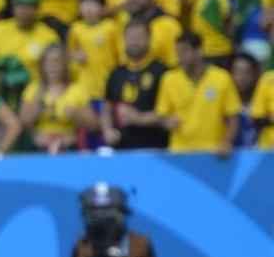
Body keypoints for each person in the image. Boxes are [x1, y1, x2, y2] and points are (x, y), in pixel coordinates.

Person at [156, 32, 241, 155]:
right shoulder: (168, 79)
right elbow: (161, 115)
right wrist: (167, 122)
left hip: (213, 152)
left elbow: (233, 117)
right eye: (178, 52)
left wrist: (226, 142)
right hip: (180, 152)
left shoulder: (222, 78)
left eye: (184, 51)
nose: (180, 57)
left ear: (199, 51)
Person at [103, 19, 170, 150]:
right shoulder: (116, 73)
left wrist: (138, 118)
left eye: (139, 37)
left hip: (155, 148)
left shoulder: (162, 72)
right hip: (122, 149)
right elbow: (107, 107)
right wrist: (108, 130)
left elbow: (168, 114)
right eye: (130, 37)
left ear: (149, 39)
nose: (134, 41)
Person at [20, 43, 97, 154]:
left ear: (65, 64)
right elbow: (23, 122)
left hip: (69, 148)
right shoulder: (33, 89)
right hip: (39, 149)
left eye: (57, 62)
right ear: (42, 65)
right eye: (48, 62)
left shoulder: (77, 90)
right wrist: (37, 107)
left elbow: (94, 125)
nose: (52, 66)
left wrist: (76, 114)